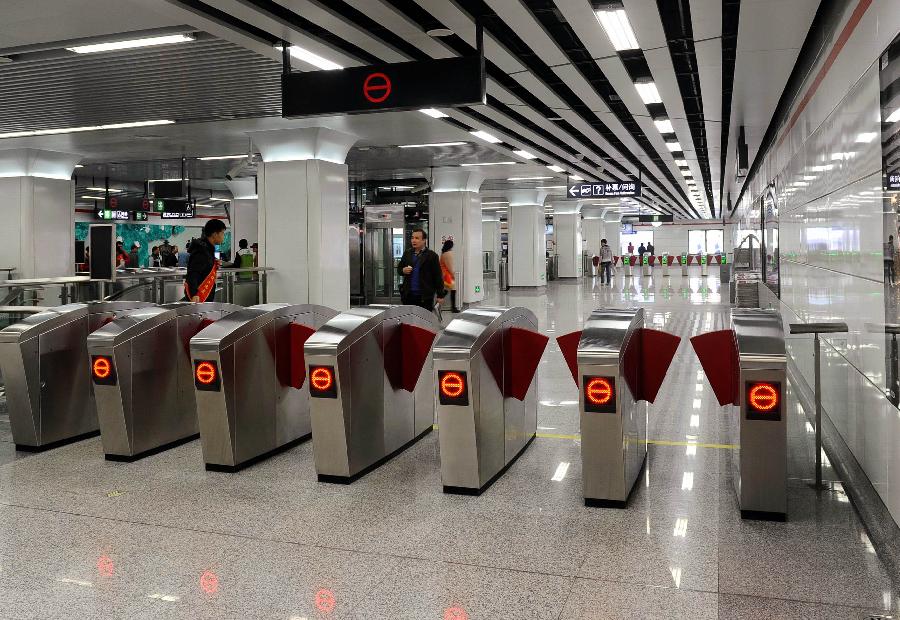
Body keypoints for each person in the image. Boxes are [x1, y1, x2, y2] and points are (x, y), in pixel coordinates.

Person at [397, 228, 445, 312]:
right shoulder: (407, 253)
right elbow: (399, 269)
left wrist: (440, 295)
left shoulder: (432, 256)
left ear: (424, 240)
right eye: (412, 238)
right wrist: (403, 270)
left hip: (425, 297)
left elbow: (437, 276)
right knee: (409, 321)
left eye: (417, 238)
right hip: (408, 295)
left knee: (423, 322)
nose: (413, 240)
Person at [185, 220, 226, 302]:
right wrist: (194, 294)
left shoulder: (208, 249)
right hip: (198, 297)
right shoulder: (201, 251)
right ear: (215, 234)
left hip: (205, 296)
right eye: (222, 233)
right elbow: (193, 273)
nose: (223, 236)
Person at [439, 239, 459, 312]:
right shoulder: (448, 254)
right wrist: (453, 274)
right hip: (447, 275)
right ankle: (453, 308)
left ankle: (437, 304)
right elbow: (450, 266)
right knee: (452, 290)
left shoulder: (443, 253)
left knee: (447, 290)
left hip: (444, 274)